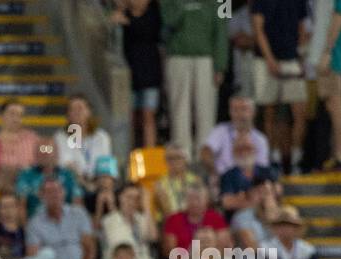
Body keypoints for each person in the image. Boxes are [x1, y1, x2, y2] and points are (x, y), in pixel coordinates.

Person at [162, 0, 227, 156]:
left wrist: (220, 65)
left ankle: (205, 152)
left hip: (206, 59)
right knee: (179, 108)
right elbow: (169, 21)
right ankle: (181, 154)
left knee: (206, 108)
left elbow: (222, 31)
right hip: (178, 56)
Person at [252, 0, 310, 172]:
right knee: (269, 112)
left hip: (291, 59)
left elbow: (302, 27)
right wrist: (269, 59)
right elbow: (258, 28)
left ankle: (295, 159)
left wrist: (301, 56)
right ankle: (273, 158)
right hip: (264, 61)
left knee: (300, 111)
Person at [312, 0, 341, 170]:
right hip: (327, 53)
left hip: (334, 56)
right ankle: (335, 154)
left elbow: (339, 17)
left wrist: (327, 51)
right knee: (331, 106)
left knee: (336, 105)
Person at [115, 0, 163, 148]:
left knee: (148, 116)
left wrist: (128, 21)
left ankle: (149, 153)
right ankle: (129, 151)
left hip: (150, 74)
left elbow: (148, 31)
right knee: (129, 118)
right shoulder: (123, 14)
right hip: (128, 75)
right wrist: (121, 13)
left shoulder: (154, 14)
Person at [26, 177, 97, 259]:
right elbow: (33, 256)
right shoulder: (35, 223)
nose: (54, 195)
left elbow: (90, 247)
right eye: (49, 192)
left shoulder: (79, 213)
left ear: (64, 193)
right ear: (41, 196)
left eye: (58, 191)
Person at [201, 94, 271, 177]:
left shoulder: (260, 139)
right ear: (230, 112)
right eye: (235, 110)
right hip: (223, 180)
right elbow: (206, 152)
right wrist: (214, 172)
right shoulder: (221, 131)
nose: (239, 114)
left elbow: (262, 167)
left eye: (243, 109)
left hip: (250, 182)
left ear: (253, 112)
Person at [53, 95, 112, 190]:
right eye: (72, 109)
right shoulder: (60, 137)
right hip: (72, 184)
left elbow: (106, 165)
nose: (76, 112)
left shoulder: (101, 137)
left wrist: (102, 186)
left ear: (89, 112)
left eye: (80, 108)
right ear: (68, 115)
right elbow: (67, 167)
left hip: (97, 183)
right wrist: (86, 185)